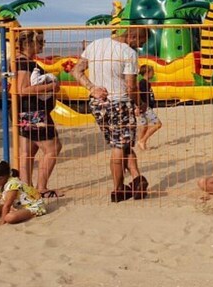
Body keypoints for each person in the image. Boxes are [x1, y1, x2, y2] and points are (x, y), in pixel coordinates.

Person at [72, 26, 151, 202]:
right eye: (141, 42)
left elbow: (76, 71)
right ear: (132, 36)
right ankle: (118, 189)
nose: (140, 46)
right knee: (119, 146)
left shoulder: (95, 44)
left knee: (122, 143)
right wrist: (140, 103)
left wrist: (92, 88)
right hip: (119, 102)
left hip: (98, 104)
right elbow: (131, 86)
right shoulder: (128, 53)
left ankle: (137, 179)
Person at [13, 29, 62, 198]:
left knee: (27, 152)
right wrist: (52, 86)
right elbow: (23, 90)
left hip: (24, 112)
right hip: (34, 113)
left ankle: (27, 189)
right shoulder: (25, 63)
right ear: (29, 44)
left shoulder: (18, 61)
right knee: (53, 148)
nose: (43, 45)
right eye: (40, 42)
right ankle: (41, 188)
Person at [135, 64, 162, 151]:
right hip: (145, 108)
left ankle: (140, 143)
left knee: (144, 126)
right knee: (158, 124)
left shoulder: (146, 83)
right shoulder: (143, 83)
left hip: (144, 107)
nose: (153, 74)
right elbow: (138, 94)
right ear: (147, 72)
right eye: (152, 72)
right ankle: (143, 140)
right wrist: (138, 106)